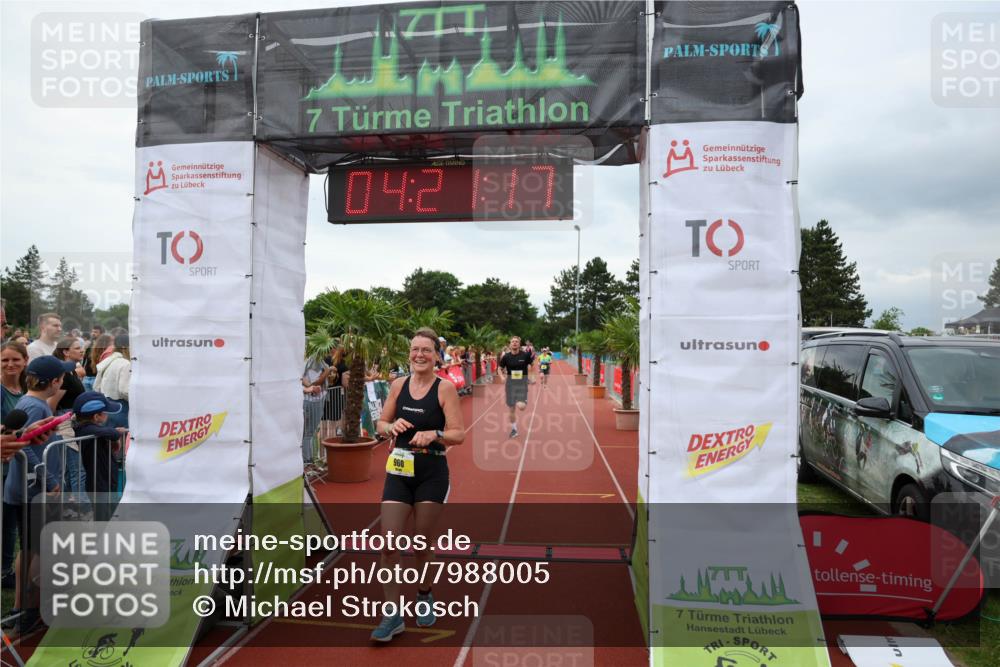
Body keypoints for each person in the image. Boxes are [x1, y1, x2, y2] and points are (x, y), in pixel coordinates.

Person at [370, 328, 465, 641]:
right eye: (415, 349)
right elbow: (380, 424)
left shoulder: (445, 389)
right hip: (399, 469)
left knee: (421, 546)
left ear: (437, 355)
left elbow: (458, 434)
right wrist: (390, 426)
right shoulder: (398, 385)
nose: (420, 355)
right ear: (409, 353)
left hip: (431, 473)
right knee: (388, 545)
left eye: (426, 350)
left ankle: (424, 595)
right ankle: (392, 614)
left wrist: (435, 433)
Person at [2, 355, 72, 636]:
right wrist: (50, 480)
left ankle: (23, 609)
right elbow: (25, 447)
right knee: (40, 548)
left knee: (31, 547)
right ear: (54, 382)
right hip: (33, 491)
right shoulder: (34, 404)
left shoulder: (33, 403)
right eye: (62, 378)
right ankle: (29, 610)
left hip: (29, 489)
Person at [72, 391, 125, 519]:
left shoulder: (95, 431)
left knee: (109, 514)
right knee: (103, 518)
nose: (107, 415)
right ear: (96, 417)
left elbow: (106, 433)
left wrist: (113, 436)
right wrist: (116, 434)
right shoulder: (84, 429)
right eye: (105, 412)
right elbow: (111, 433)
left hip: (105, 480)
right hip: (98, 484)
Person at [1, 341, 29, 587]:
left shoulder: (26, 388)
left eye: (15, 360)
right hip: (3, 465)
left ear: (25, 361)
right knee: (4, 521)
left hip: (19, 467)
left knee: (15, 521)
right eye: (4, 360)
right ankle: (3, 570)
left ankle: (8, 568)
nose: (10, 364)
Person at [54, 337, 89, 503]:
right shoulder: (64, 375)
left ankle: (69, 509)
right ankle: (84, 511)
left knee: (71, 471)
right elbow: (52, 404)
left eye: (82, 347)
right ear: (65, 352)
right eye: (77, 348)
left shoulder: (72, 372)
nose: (82, 350)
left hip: (73, 422)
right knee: (77, 471)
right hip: (64, 423)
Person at [94, 333, 130, 431]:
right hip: (121, 408)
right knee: (121, 441)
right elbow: (124, 390)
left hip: (106, 406)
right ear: (124, 347)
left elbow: (96, 386)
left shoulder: (108, 360)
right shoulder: (126, 363)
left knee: (109, 441)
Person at [499, 336, 533, 438]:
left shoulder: (525, 355)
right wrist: (501, 377)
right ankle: (514, 429)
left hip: (522, 384)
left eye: (516, 342)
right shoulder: (506, 357)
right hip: (510, 385)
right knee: (511, 409)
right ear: (510, 344)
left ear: (519, 344)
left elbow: (532, 365)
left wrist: (530, 375)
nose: (514, 343)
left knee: (521, 407)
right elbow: (499, 368)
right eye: (512, 341)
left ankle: (523, 399)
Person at [301, 352, 331, 466]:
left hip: (316, 399)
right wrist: (327, 371)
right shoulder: (312, 360)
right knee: (308, 432)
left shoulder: (317, 360)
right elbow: (315, 382)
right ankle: (307, 461)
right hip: (311, 401)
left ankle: (310, 459)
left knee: (310, 432)